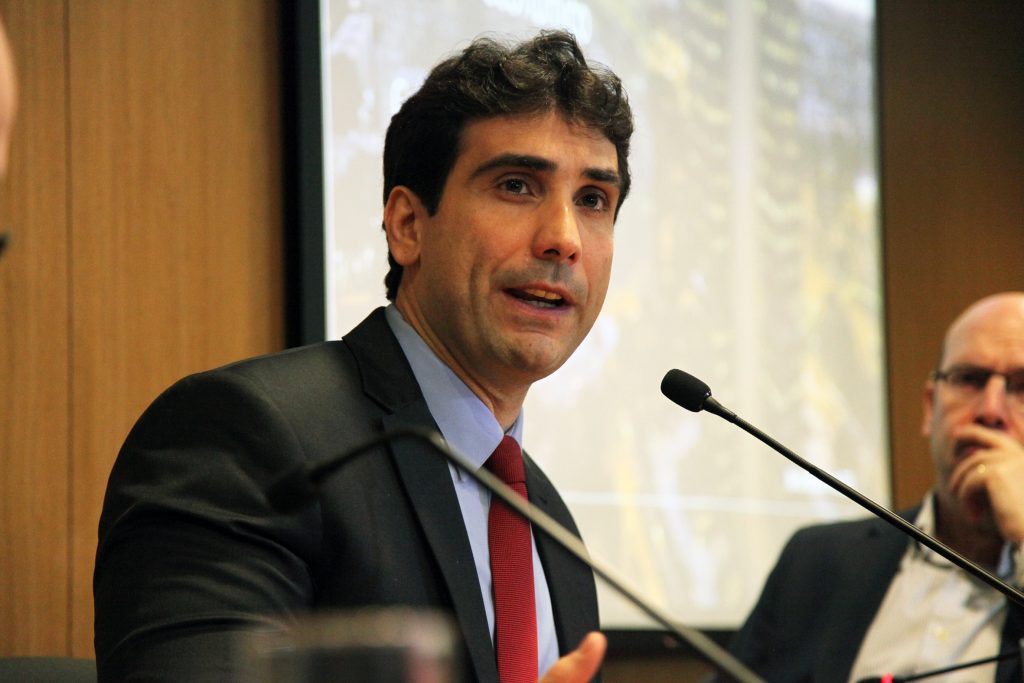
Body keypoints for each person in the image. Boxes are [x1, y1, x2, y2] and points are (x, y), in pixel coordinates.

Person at [93, 30, 633, 683]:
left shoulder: (549, 526)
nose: (563, 238)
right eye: (517, 185)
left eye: (593, 200)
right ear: (408, 225)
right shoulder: (249, 439)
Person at [726, 292, 1024, 683]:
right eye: (968, 378)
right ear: (929, 408)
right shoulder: (814, 563)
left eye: (1022, 387)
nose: (990, 409)